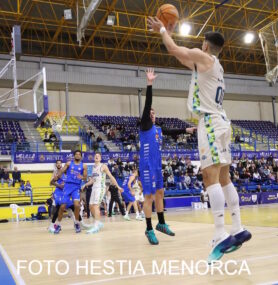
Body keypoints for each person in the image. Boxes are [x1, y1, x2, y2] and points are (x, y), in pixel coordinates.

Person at [147, 18, 251, 260]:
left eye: (201, 44)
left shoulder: (204, 58)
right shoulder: (213, 65)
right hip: (221, 121)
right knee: (224, 178)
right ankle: (238, 228)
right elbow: (179, 56)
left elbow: (176, 50)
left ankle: (220, 233)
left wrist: (162, 29)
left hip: (211, 123)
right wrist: (169, 37)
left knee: (210, 177)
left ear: (205, 45)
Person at [139, 68, 196, 245]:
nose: (152, 114)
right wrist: (149, 84)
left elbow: (171, 131)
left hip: (156, 165)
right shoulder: (145, 125)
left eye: (154, 113)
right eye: (150, 112)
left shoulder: (158, 129)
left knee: (160, 193)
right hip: (147, 165)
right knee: (148, 196)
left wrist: (186, 129)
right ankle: (149, 229)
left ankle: (161, 223)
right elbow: (148, 104)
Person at [80, 152, 123, 234]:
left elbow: (111, 176)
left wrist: (118, 186)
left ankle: (96, 226)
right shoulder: (93, 167)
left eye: (98, 156)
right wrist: (85, 184)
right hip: (94, 188)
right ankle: (98, 222)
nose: (96, 157)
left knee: (96, 206)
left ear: (100, 158)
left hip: (100, 188)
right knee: (90, 206)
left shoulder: (103, 166)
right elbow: (93, 180)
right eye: (95, 156)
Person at [52, 150, 87, 234]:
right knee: (62, 206)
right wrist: (57, 177)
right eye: (76, 154)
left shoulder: (84, 165)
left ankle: (77, 224)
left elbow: (85, 178)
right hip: (67, 186)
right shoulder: (68, 163)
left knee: (77, 205)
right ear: (74, 156)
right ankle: (58, 225)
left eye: (79, 154)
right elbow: (61, 171)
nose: (78, 155)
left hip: (76, 187)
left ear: (81, 156)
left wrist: (81, 177)